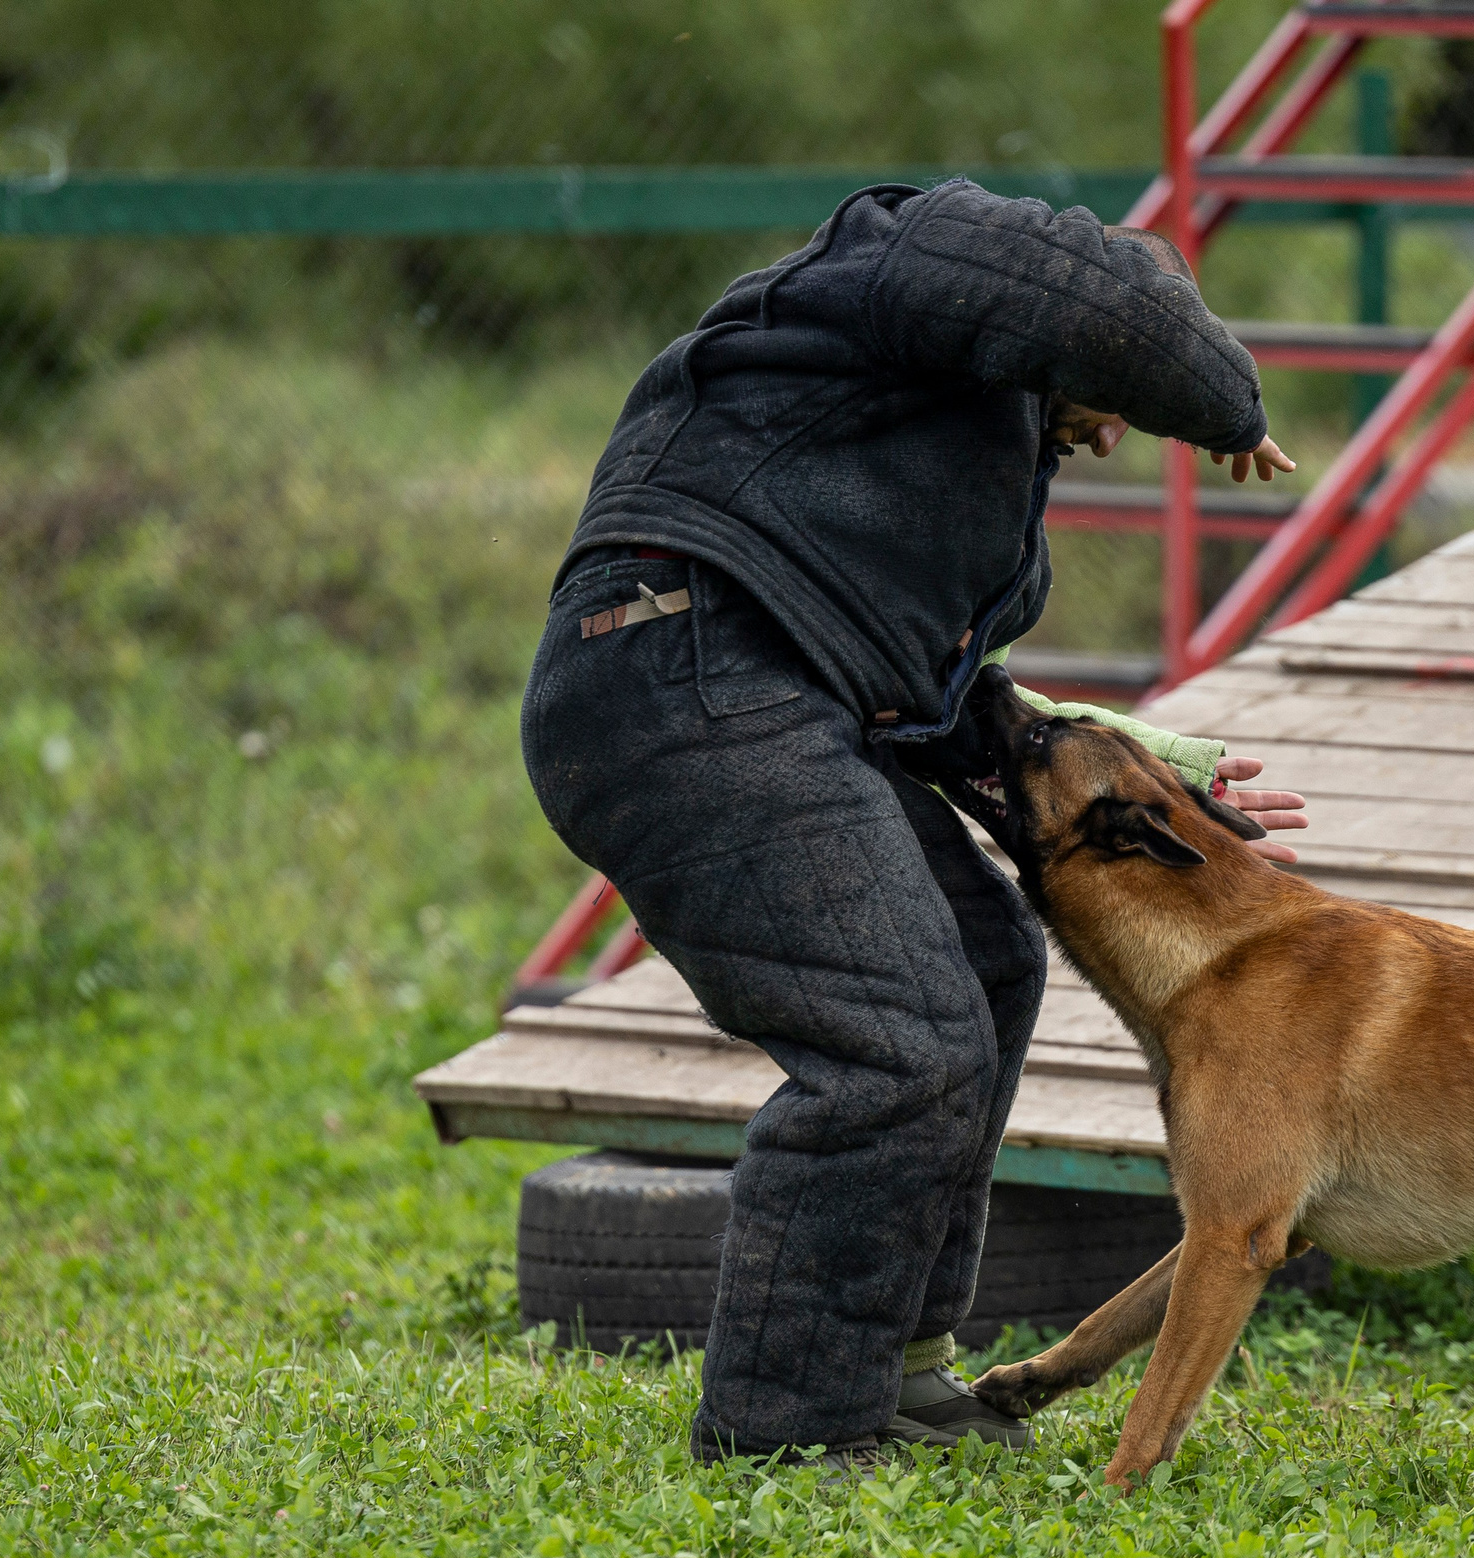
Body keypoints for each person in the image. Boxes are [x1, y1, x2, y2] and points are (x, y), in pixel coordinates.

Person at [519, 179, 1305, 1467]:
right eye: (1115, 406)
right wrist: (1226, 404)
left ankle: (892, 1365)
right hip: (672, 675)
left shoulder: (946, 461)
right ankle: (787, 1433)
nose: (1109, 438)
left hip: (753, 689)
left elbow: (937, 706)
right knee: (901, 1042)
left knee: (984, 965)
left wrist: (1163, 775)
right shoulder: (898, 265)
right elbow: (1103, 296)